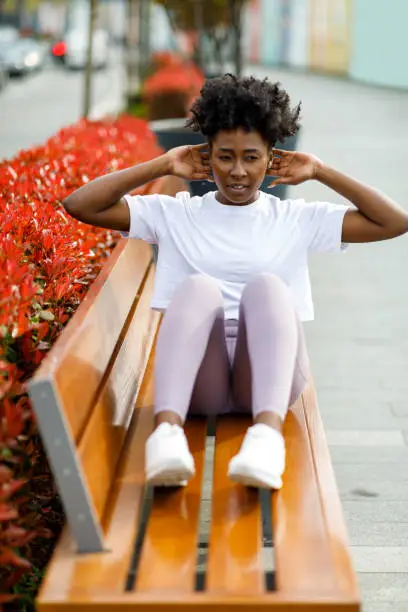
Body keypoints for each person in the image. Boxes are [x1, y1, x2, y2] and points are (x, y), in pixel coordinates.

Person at [62, 74, 408, 490]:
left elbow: (394, 221)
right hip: (196, 382)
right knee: (197, 288)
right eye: (225, 157)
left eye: (252, 157)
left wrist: (320, 171)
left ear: (271, 158)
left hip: (270, 380)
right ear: (206, 155)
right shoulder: (176, 214)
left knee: (267, 288)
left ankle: (265, 439)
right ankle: (167, 435)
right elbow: (79, 205)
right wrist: (163, 163)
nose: (239, 172)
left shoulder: (296, 220)